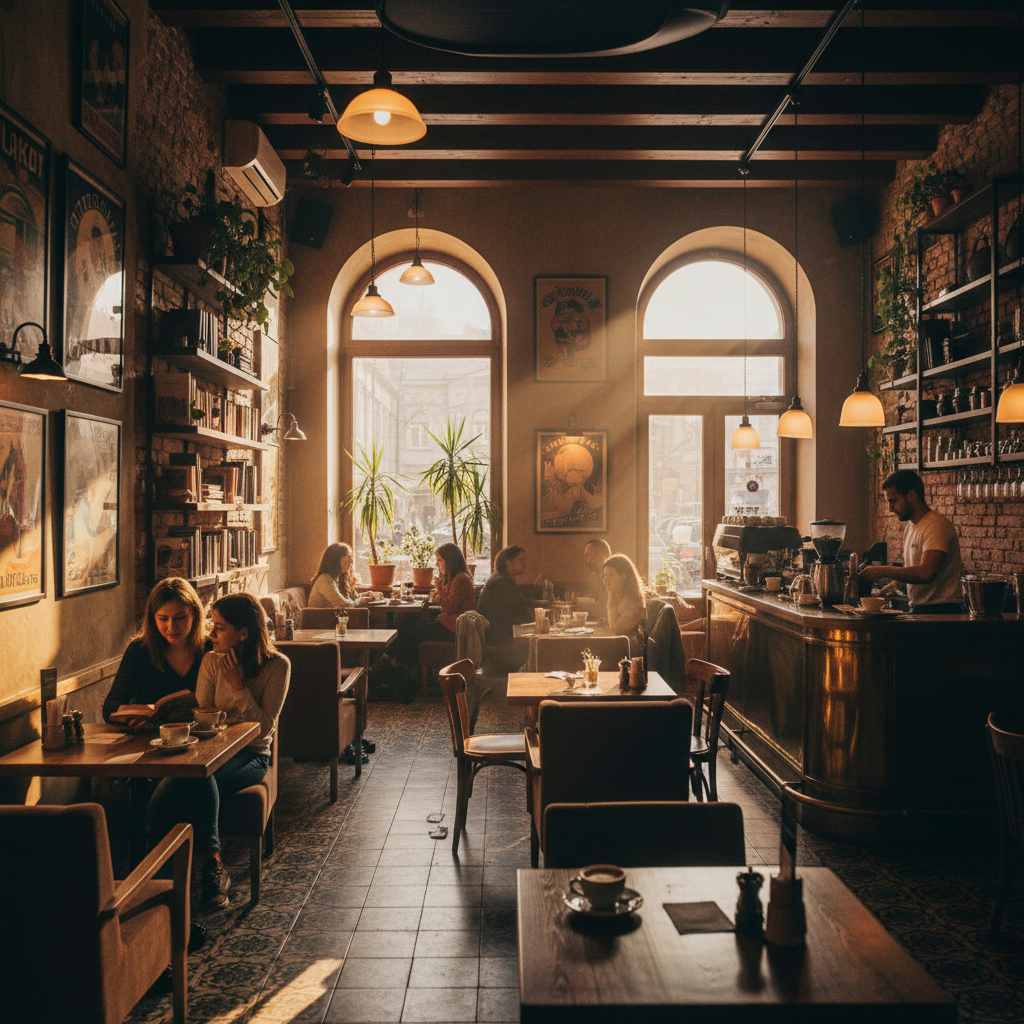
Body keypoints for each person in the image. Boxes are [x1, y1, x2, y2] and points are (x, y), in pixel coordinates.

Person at [146, 593, 290, 909]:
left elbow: (265, 728)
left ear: (244, 633)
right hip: (209, 753)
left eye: (220, 628)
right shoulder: (211, 661)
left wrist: (238, 687)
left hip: (251, 755)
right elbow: (204, 713)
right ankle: (164, 889)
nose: (211, 634)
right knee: (167, 796)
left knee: (189, 784)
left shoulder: (278, 666)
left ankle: (208, 866)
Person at [103, 578, 210, 731]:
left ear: (194, 614)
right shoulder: (139, 650)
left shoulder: (210, 649)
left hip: (202, 736)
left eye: (180, 618)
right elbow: (110, 706)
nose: (171, 627)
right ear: (153, 618)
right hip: (148, 738)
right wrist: (135, 717)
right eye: (163, 619)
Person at [859, 469, 963, 613]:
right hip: (920, 609)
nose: (890, 509)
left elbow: (926, 573)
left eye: (893, 501)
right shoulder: (910, 527)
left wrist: (882, 570)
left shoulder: (935, 525)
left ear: (912, 495)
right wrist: (887, 589)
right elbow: (913, 573)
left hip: (941, 612)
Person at [377, 542, 476, 691]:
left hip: (454, 630)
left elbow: (449, 608)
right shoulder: (455, 578)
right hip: (448, 625)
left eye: (440, 560)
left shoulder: (461, 579)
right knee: (410, 622)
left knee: (411, 624)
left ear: (450, 560)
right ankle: (398, 663)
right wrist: (440, 592)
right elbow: (442, 602)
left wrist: (440, 590)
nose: (436, 564)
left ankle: (394, 662)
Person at [477, 545, 536, 649]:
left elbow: (520, 605)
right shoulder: (501, 581)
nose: (525, 564)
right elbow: (520, 607)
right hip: (496, 641)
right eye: (521, 560)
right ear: (509, 562)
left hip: (498, 635)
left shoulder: (501, 578)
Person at [308, 542, 377, 608]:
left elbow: (346, 600)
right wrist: (360, 601)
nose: (351, 561)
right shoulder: (325, 579)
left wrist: (363, 595)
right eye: (348, 557)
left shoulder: (337, 578)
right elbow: (343, 605)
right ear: (336, 559)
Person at [602, 553, 649, 647]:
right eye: (605, 575)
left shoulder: (634, 601)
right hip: (622, 644)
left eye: (611, 575)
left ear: (623, 576)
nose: (606, 580)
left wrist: (611, 594)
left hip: (633, 648)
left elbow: (616, 629)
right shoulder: (617, 593)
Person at [583, 537, 612, 618]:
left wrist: (579, 608)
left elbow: (603, 609)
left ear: (606, 555)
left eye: (595, 554)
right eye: (587, 555)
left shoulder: (611, 575)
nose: (589, 559)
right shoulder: (601, 575)